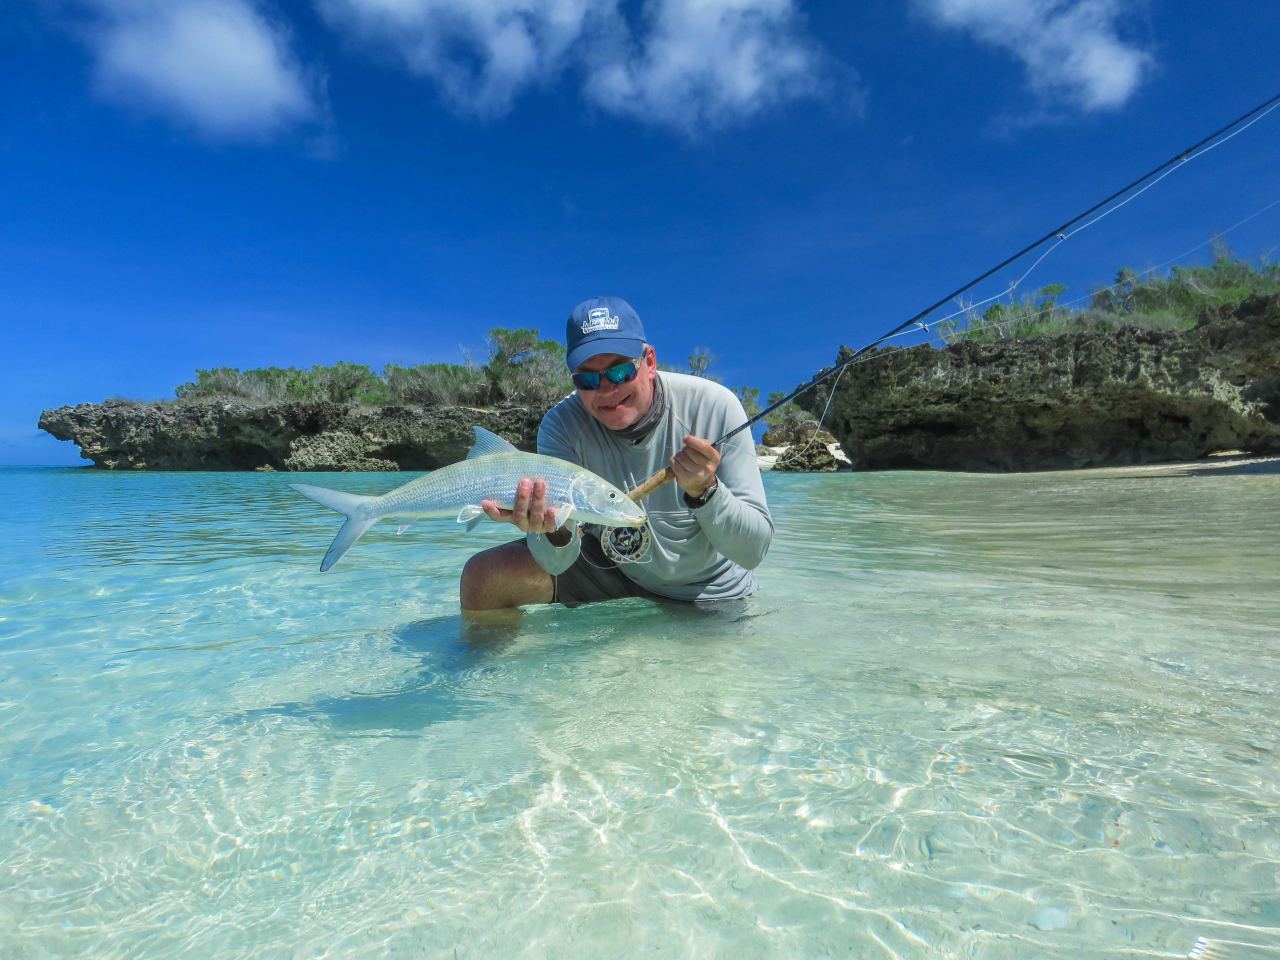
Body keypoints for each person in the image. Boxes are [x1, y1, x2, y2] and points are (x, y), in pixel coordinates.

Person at [459, 295, 773, 610]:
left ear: (650, 362)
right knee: (484, 577)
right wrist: (553, 532)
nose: (607, 390)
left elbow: (753, 552)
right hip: (610, 570)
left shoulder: (714, 407)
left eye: (620, 372)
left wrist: (706, 492)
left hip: (710, 590)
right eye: (587, 379)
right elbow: (556, 563)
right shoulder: (561, 425)